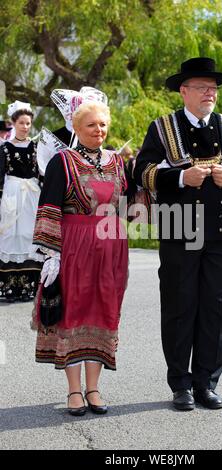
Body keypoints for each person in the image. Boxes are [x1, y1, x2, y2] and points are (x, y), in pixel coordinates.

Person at [134, 57, 222, 411]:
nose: (211, 93)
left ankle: (206, 382)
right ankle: (181, 384)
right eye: (203, 87)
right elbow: (142, 172)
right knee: (179, 305)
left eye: (214, 88)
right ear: (184, 91)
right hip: (179, 228)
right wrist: (179, 178)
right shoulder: (161, 128)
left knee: (217, 309)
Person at [31, 96, 135, 416]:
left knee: (105, 313)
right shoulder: (62, 162)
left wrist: (147, 174)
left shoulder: (118, 163)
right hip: (75, 247)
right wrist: (51, 254)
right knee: (73, 313)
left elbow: (130, 209)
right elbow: (48, 207)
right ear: (77, 128)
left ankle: (94, 388)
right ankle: (74, 391)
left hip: (112, 249)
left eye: (103, 124)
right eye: (91, 125)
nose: (98, 130)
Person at [0, 102, 43, 302]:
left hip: (31, 193)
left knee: (28, 234)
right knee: (10, 234)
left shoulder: (36, 147)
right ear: (14, 124)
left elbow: (41, 173)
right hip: (12, 192)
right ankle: (9, 287)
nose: (25, 126)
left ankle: (28, 286)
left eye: (28, 123)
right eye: (22, 123)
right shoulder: (5, 148)